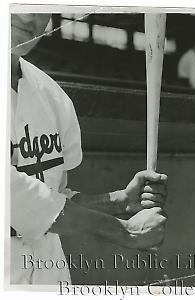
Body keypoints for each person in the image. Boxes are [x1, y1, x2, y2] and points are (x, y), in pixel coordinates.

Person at [10, 13, 168, 285]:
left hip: (50, 273)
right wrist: (126, 232)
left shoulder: (51, 94)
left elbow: (54, 198)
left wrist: (119, 201)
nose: (28, 16)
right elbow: (12, 196)